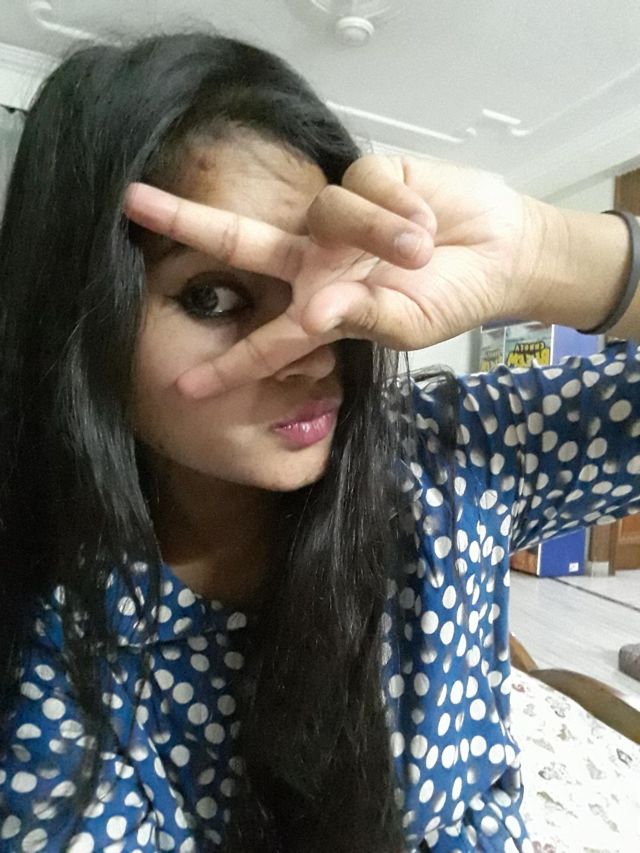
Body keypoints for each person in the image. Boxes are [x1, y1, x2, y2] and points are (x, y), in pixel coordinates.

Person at [0, 30, 638, 853]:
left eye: (335, 282)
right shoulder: (63, 641)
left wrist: (547, 256)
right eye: (214, 296)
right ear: (86, 319)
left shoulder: (445, 463)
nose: (312, 348)